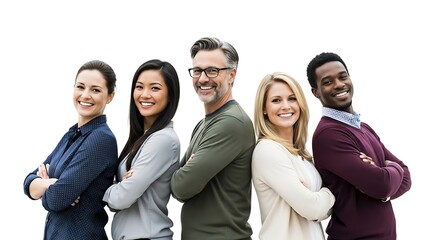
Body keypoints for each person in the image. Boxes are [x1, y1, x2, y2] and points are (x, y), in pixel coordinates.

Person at [306, 52, 412, 240]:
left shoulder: (363, 128)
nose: (339, 84)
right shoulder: (329, 135)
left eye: (342, 76)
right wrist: (389, 172)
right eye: (327, 82)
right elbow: (382, 184)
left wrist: (386, 179)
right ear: (316, 92)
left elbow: (406, 178)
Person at [23, 60, 118, 240]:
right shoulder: (72, 134)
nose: (85, 95)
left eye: (95, 90)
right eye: (80, 87)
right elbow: (28, 183)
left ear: (110, 96)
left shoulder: (101, 139)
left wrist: (49, 186)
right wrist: (51, 183)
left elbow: (56, 199)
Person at [170, 37, 255, 240]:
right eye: (197, 71)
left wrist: (183, 172)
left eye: (212, 71)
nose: (202, 79)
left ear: (231, 75)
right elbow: (181, 180)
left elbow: (181, 187)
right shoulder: (205, 123)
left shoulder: (231, 123)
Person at [103, 59, 180, 240]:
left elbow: (121, 199)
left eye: (154, 88)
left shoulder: (162, 140)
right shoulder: (142, 139)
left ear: (170, 95)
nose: (144, 95)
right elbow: (116, 203)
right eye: (139, 87)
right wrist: (119, 186)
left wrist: (109, 187)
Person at [252, 72, 335, 240]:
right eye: (276, 100)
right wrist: (331, 193)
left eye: (292, 98)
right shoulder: (268, 151)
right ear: (264, 109)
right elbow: (314, 209)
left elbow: (321, 211)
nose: (286, 106)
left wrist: (315, 200)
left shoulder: (302, 155)